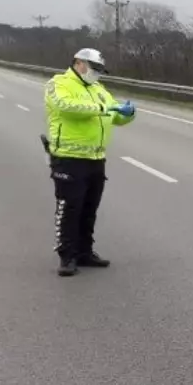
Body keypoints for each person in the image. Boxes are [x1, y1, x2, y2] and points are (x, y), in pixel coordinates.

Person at [43, 48, 136, 277]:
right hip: (68, 158)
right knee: (69, 209)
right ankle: (67, 256)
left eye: (100, 70)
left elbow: (114, 117)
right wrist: (105, 108)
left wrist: (127, 113)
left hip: (95, 159)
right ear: (78, 63)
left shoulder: (99, 90)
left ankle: (85, 252)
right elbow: (67, 107)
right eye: (94, 69)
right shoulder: (59, 84)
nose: (97, 74)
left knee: (89, 208)